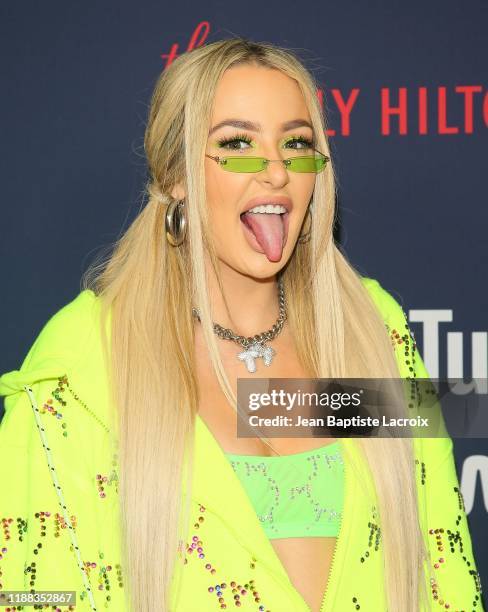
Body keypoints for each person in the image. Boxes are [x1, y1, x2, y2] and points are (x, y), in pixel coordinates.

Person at [0, 37, 483, 612]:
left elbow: (443, 573)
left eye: (296, 144)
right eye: (238, 145)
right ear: (176, 175)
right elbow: (34, 595)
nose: (276, 172)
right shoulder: (83, 364)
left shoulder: (371, 333)